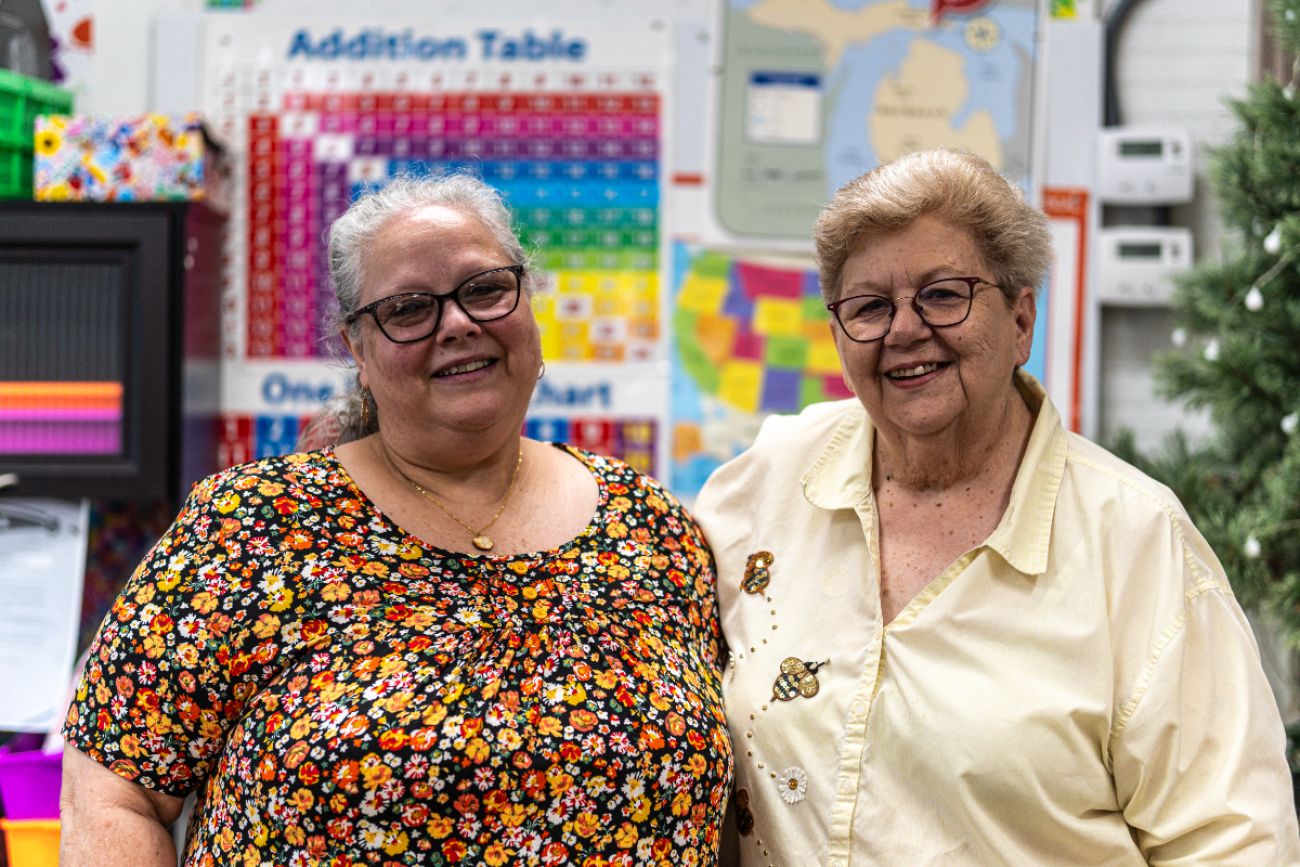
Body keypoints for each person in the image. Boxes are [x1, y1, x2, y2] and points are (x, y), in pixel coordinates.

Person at [60, 173, 732, 866]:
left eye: (485, 289)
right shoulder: (248, 527)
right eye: (410, 308)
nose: (459, 323)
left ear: (527, 303)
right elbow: (115, 793)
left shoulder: (655, 530)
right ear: (358, 348)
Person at [695, 148, 1300, 865]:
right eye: (870, 306)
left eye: (944, 294)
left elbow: (1233, 844)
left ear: (1021, 320)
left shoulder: (1136, 543)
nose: (905, 329)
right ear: (837, 335)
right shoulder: (765, 484)